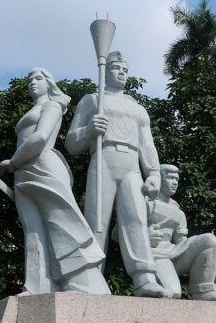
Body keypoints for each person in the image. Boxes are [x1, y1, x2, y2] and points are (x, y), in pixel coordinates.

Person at [65, 51, 170, 298]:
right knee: (97, 222)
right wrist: (89, 131)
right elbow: (71, 143)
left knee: (136, 220)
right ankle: (90, 275)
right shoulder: (92, 100)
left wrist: (153, 173)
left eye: (125, 69)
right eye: (116, 68)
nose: (121, 72)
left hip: (132, 164)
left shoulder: (137, 108)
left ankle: (144, 279)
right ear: (105, 70)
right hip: (103, 159)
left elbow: (148, 144)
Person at [0, 67, 110, 296]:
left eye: (38, 78)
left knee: (61, 224)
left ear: (49, 83)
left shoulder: (53, 106)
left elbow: (39, 138)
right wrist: (17, 165)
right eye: (29, 80)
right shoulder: (34, 108)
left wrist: (12, 161)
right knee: (33, 230)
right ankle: (37, 286)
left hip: (43, 165)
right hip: (23, 170)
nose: (32, 83)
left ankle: (84, 284)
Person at [146, 164, 216, 301]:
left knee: (209, 240)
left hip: (174, 253)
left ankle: (203, 291)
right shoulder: (145, 203)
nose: (175, 183)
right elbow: (118, 233)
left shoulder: (177, 210)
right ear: (160, 179)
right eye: (171, 178)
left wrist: (214, 262)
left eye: (177, 179)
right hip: (155, 255)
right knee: (173, 293)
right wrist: (144, 237)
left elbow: (182, 243)